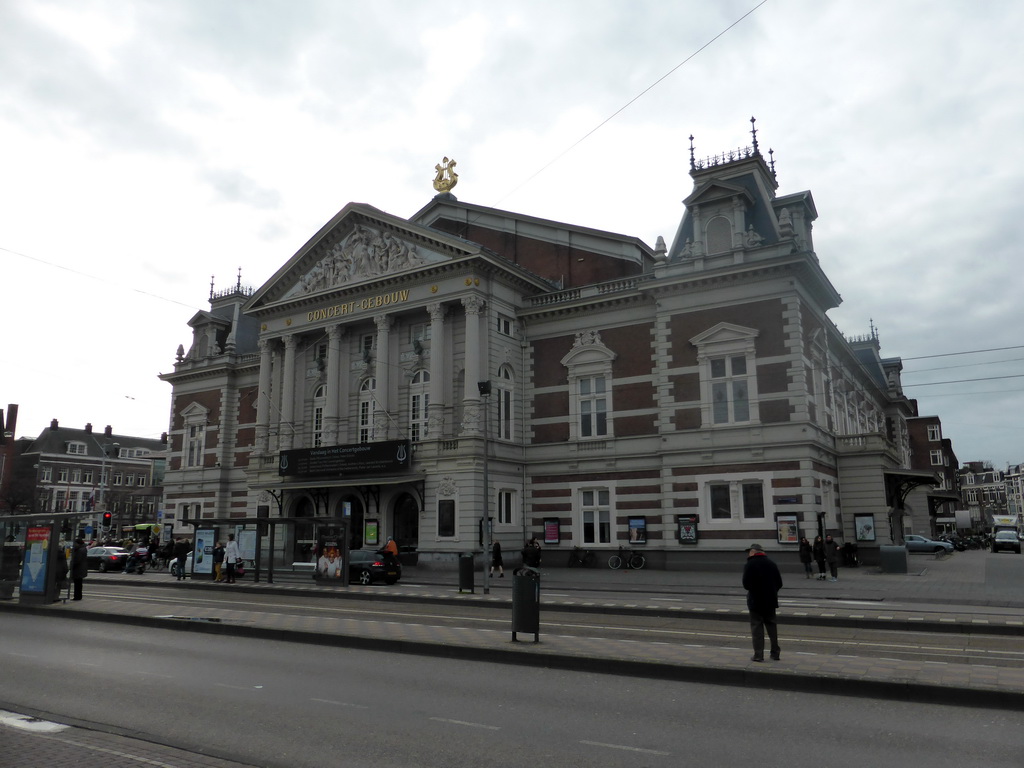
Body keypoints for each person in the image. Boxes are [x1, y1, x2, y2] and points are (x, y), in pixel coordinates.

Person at [742, 543, 783, 662]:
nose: (748, 554)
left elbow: (746, 584)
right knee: (772, 626)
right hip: (770, 601)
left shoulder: (750, 564)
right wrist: (771, 592)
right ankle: (775, 653)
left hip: (755, 601)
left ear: (754, 552)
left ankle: (758, 655)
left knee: (757, 627)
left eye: (749, 551)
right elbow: (779, 583)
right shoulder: (771, 564)